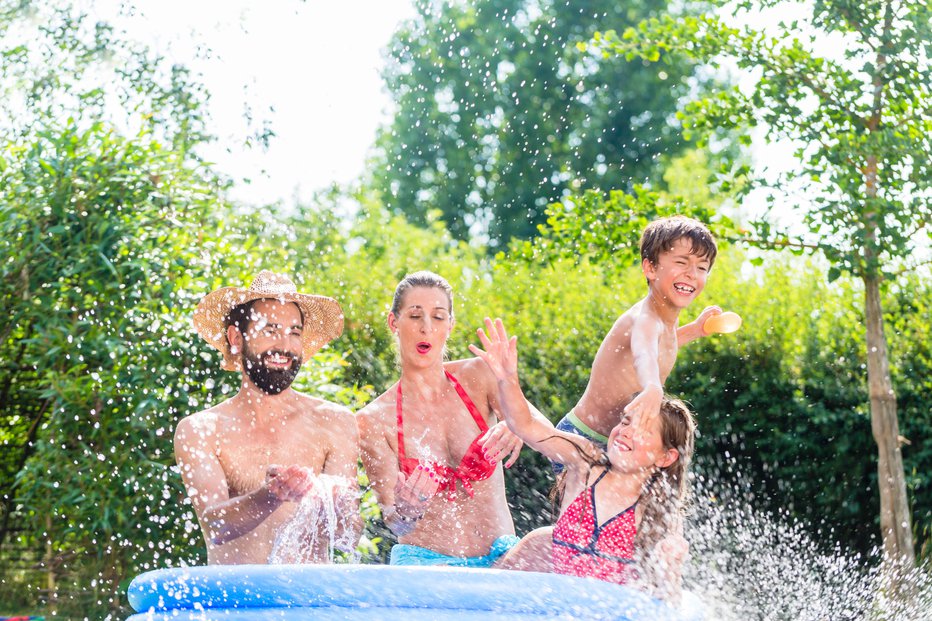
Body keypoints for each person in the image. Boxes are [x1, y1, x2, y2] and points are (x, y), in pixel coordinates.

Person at [470, 318, 695, 602]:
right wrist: (507, 380)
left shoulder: (660, 512)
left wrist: (669, 569)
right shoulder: (584, 462)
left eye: (642, 429)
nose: (625, 431)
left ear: (666, 456)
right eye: (625, 421)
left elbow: (667, 602)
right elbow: (526, 425)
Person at [175, 270, 361, 565]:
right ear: (236, 337)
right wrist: (269, 497)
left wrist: (334, 501)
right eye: (270, 330)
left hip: (309, 604)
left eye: (294, 332)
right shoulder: (201, 429)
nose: (284, 346)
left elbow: (348, 533)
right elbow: (215, 527)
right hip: (236, 605)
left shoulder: (334, 422)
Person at [356, 271, 530, 567]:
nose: (426, 328)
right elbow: (394, 522)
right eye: (414, 316)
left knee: (546, 542)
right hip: (427, 565)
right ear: (393, 322)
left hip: (502, 561)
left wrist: (518, 425)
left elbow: (542, 429)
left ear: (450, 325)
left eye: (438, 317)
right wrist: (407, 510)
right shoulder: (372, 420)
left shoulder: (479, 376)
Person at [557, 215, 719, 451]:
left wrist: (695, 330)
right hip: (584, 437)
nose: (692, 273)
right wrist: (653, 386)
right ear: (650, 268)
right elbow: (644, 354)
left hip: (615, 441)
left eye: (702, 267)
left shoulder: (664, 321)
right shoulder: (645, 318)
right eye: (682, 262)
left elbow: (660, 347)